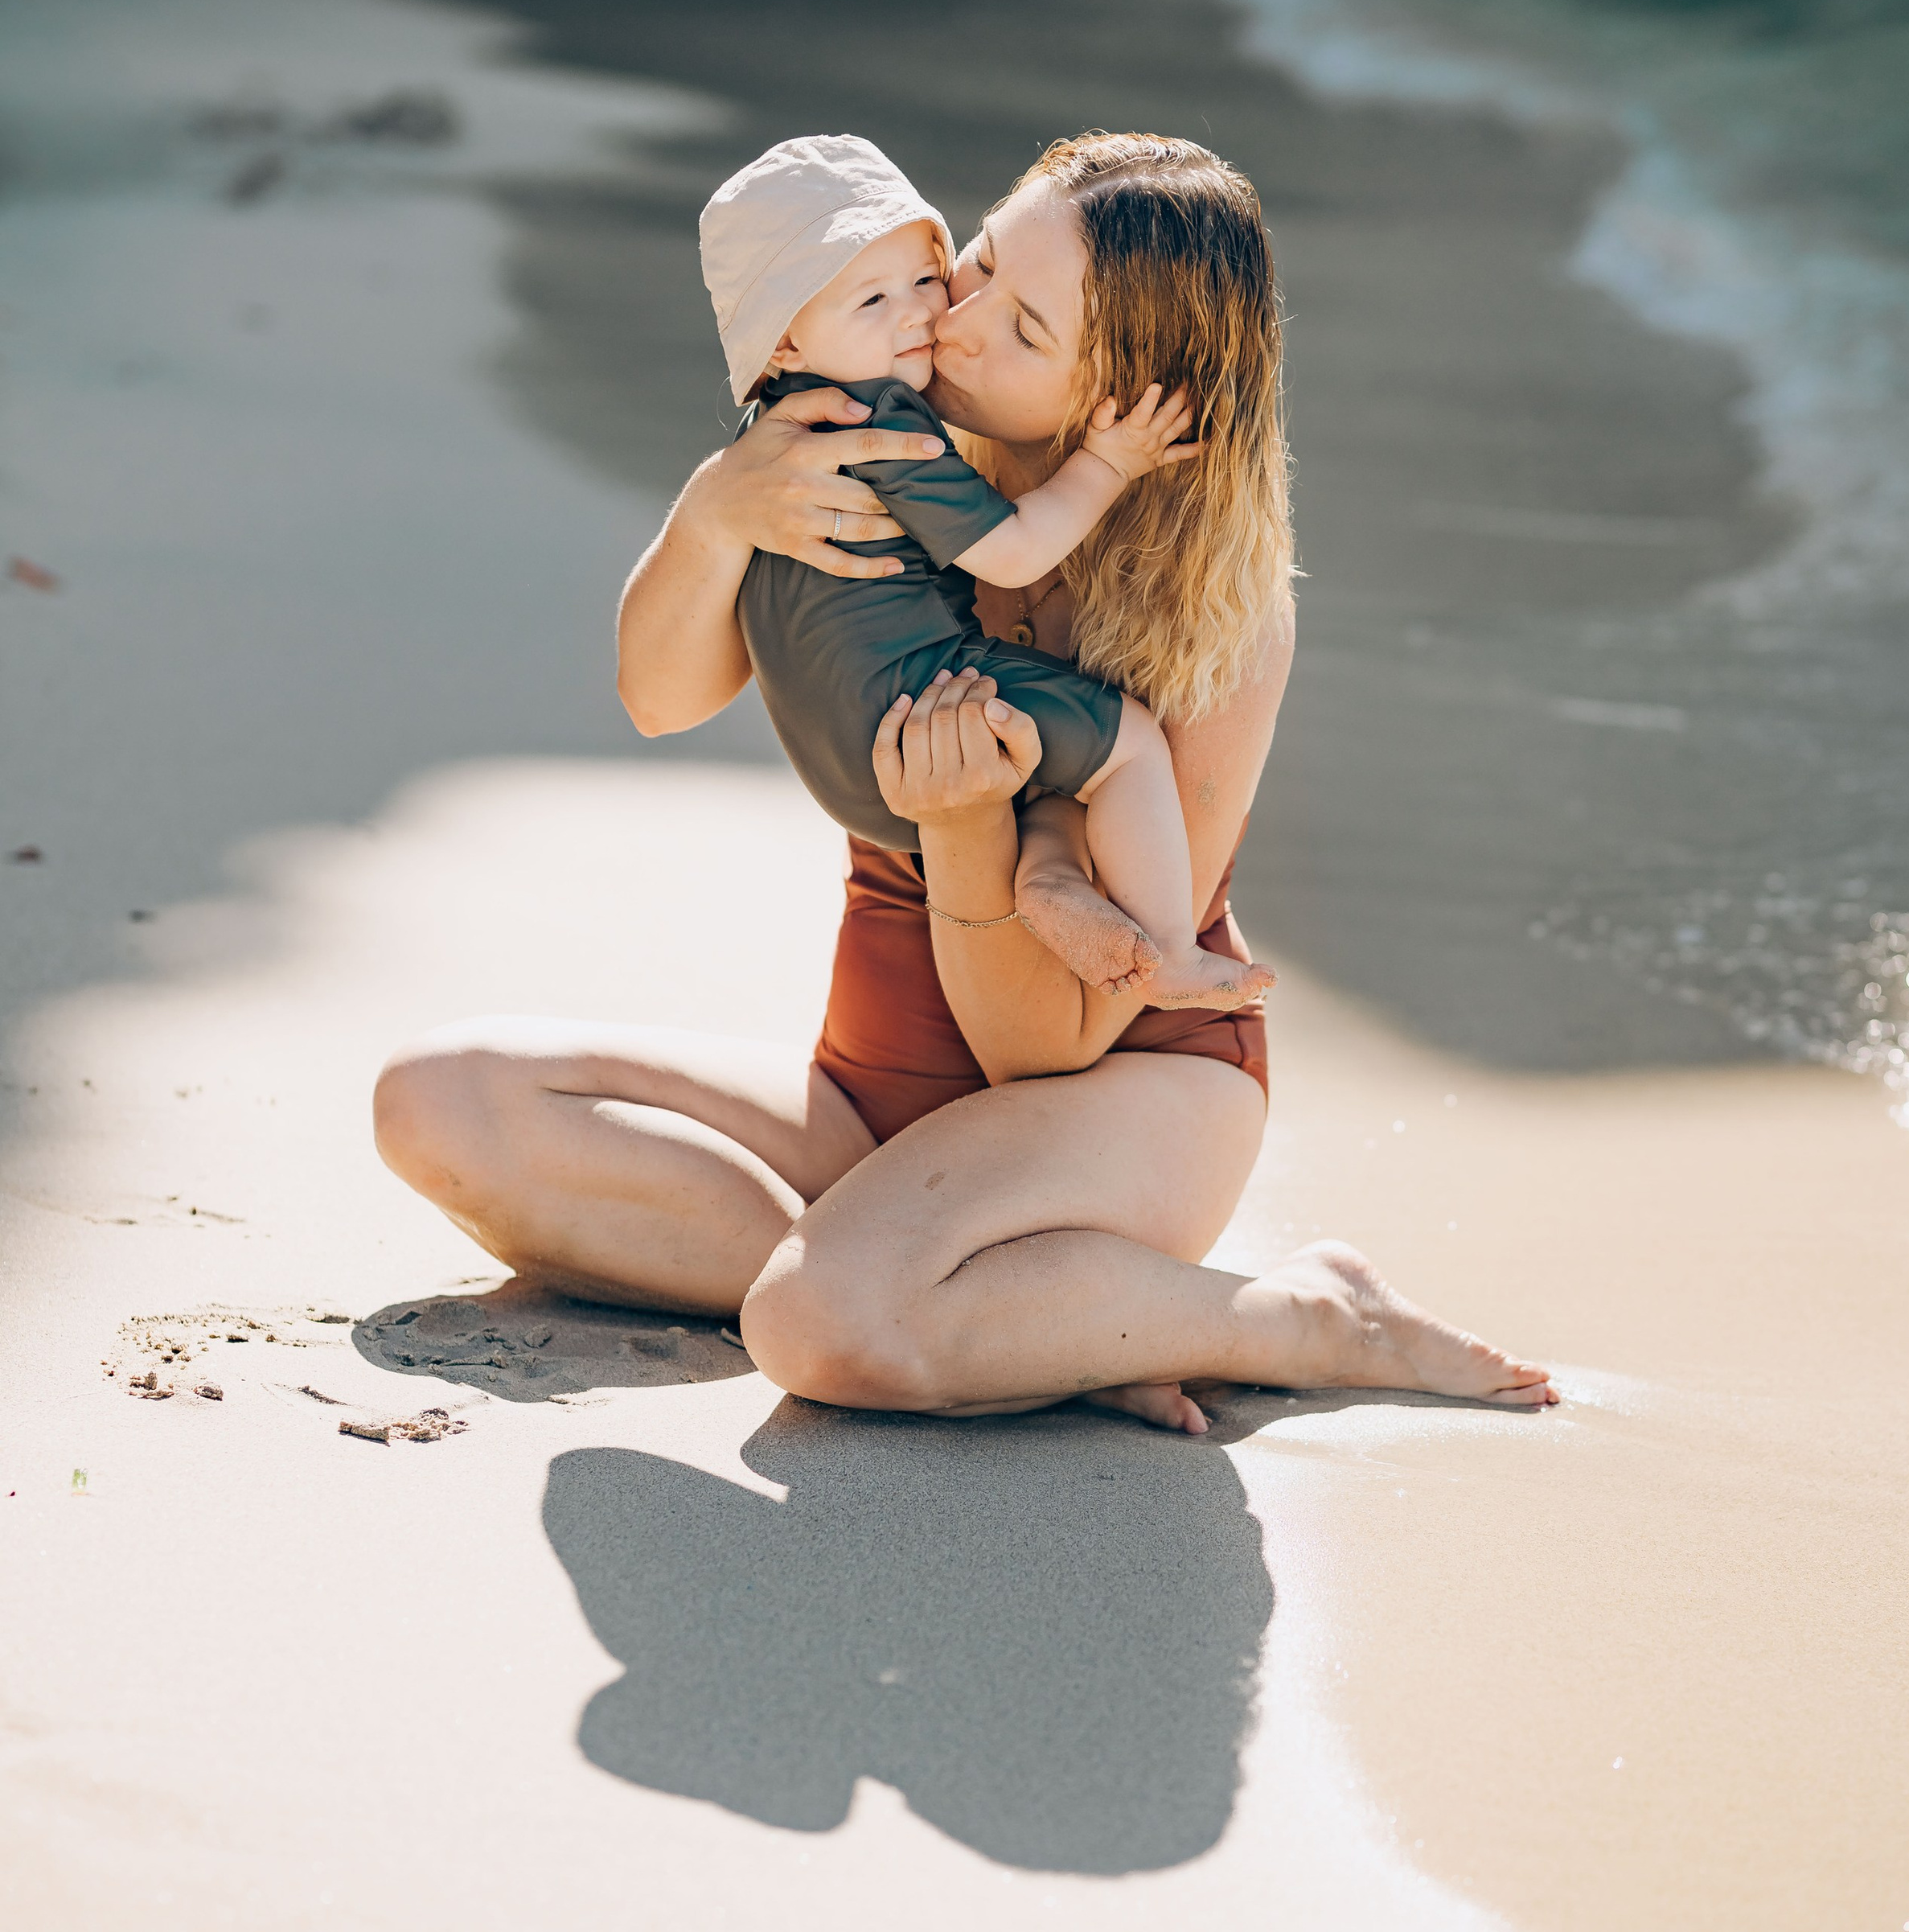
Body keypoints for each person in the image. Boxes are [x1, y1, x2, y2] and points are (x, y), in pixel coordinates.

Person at [373, 129, 1556, 1430]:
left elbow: (1046, 1044)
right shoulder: (894, 464)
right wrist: (717, 514)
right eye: (980, 259)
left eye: (1026, 327)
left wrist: (966, 823)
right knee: (440, 1102)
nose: (959, 318)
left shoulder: (1220, 623)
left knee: (817, 1325)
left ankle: (1298, 1317)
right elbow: (658, 696)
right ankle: (1031, 1316)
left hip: (1115, 1094)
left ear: (1125, 403)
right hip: (873, 1092)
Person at [704, 129, 1271, 1008]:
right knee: (1123, 746)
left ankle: (1051, 874)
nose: (940, 323)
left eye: (925, 278)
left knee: (1049, 765)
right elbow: (1014, 551)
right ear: (784, 341)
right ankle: (1168, 951)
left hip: (838, 757)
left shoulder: (779, 428)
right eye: (982, 262)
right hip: (913, 733)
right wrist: (1108, 463)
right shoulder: (886, 429)